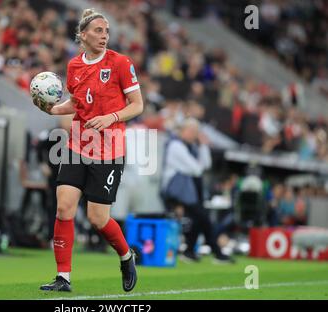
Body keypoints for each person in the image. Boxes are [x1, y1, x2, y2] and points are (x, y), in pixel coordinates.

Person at [33, 8, 143, 292]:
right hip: (77, 145)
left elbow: (137, 105)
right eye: (98, 30)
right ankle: (63, 277)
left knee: (97, 219)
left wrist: (112, 117)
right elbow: (78, 103)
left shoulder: (120, 63)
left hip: (109, 150)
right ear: (82, 35)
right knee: (64, 207)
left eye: (106, 31)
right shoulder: (73, 66)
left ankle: (125, 255)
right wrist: (55, 108)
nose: (104, 35)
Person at [160, 118, 234, 264]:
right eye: (191, 131)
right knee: (204, 218)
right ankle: (217, 252)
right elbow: (197, 169)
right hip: (177, 192)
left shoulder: (191, 147)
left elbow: (205, 165)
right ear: (182, 130)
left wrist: (203, 145)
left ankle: (189, 251)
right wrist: (197, 163)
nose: (194, 134)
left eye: (196, 132)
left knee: (198, 221)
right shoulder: (176, 145)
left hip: (189, 192)